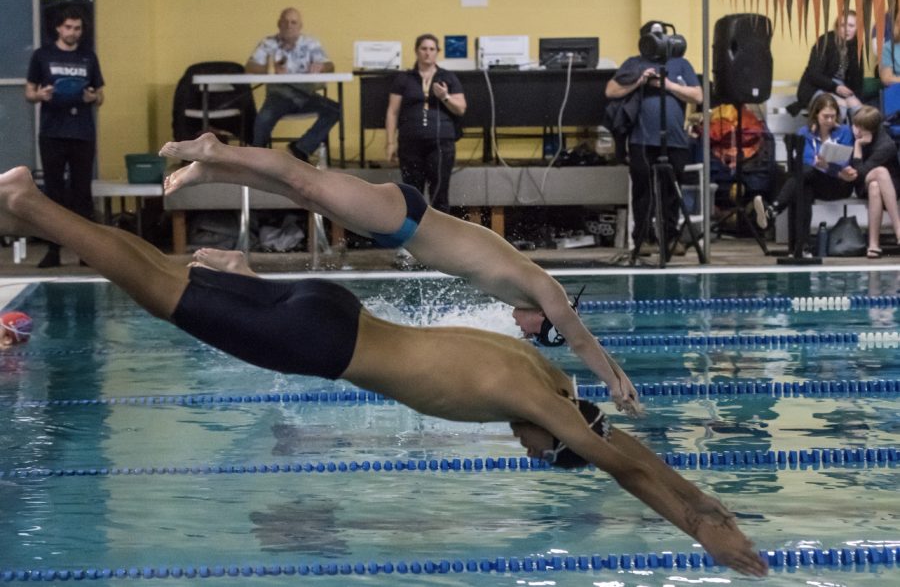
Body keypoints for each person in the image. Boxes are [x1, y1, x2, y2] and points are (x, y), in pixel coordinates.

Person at [0, 165, 767, 577]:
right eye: (544, 455)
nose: (532, 456)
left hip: (330, 308)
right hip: (323, 346)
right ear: (553, 437)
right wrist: (701, 524)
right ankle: (30, 207)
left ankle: (27, 211)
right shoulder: (540, 406)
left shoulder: (531, 368)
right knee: (160, 293)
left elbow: (615, 441)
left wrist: (707, 503)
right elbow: (620, 464)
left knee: (166, 273)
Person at [159, 133, 643, 417]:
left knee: (303, 197)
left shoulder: (520, 288)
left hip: (399, 229)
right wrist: (616, 384)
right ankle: (215, 149)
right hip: (405, 216)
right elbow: (580, 338)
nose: (522, 330)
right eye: (538, 333)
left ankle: (214, 171)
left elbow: (568, 338)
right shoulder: (543, 288)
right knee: (305, 180)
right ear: (548, 319)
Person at [604, 21, 702, 257]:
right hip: (642, 140)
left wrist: (667, 85)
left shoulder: (681, 63)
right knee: (643, 191)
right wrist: (639, 81)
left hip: (675, 140)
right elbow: (611, 90)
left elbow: (698, 95)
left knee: (671, 192)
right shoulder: (634, 63)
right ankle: (643, 239)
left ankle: (669, 238)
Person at [25, 5, 104, 268]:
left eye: (78, 28)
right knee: (54, 193)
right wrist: (40, 95)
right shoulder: (42, 56)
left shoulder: (88, 58)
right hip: (52, 133)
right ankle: (53, 250)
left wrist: (93, 97)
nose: (73, 32)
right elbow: (29, 93)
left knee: (82, 192)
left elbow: (100, 95)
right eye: (69, 27)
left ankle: (86, 252)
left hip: (82, 133)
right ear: (59, 28)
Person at [753, 94, 855, 257]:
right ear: (816, 115)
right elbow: (805, 160)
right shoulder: (805, 133)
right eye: (825, 116)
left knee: (804, 176)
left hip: (839, 183)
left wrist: (827, 166)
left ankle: (773, 210)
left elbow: (844, 162)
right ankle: (803, 247)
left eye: (832, 116)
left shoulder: (844, 132)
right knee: (803, 189)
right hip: (814, 180)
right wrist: (822, 165)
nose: (829, 120)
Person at [384, 34, 466, 214]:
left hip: (440, 142)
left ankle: (440, 237)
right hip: (410, 142)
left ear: (437, 52)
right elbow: (392, 111)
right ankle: (414, 237)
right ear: (416, 51)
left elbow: (461, 108)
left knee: (440, 192)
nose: (427, 53)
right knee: (412, 194)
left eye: (432, 49)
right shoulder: (404, 78)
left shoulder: (448, 77)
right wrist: (390, 142)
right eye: (424, 49)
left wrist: (445, 96)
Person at [245, 7, 339, 162]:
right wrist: (268, 67)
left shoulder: (311, 43)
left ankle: (301, 148)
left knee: (336, 110)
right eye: (286, 22)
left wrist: (321, 67)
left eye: (293, 22)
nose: (289, 25)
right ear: (279, 24)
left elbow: (330, 66)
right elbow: (250, 67)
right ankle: (257, 158)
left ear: (300, 26)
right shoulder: (268, 43)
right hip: (278, 95)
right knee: (263, 118)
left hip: (306, 95)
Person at [844, 105, 900, 258]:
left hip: (891, 187)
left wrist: (858, 147)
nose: (856, 130)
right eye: (855, 125)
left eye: (860, 128)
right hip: (862, 183)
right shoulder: (852, 136)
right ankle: (899, 230)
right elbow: (860, 176)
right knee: (879, 174)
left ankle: (874, 245)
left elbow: (861, 171)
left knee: (877, 183)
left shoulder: (886, 145)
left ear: (872, 130)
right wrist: (858, 144)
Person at [796, 10, 863, 119]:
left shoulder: (857, 45)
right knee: (839, 107)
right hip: (815, 88)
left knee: (860, 111)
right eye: (842, 25)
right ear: (837, 27)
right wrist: (836, 87)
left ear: (857, 28)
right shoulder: (825, 41)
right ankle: (834, 136)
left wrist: (856, 98)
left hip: (840, 88)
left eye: (851, 25)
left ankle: (854, 136)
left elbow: (857, 78)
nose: (847, 29)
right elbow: (814, 74)